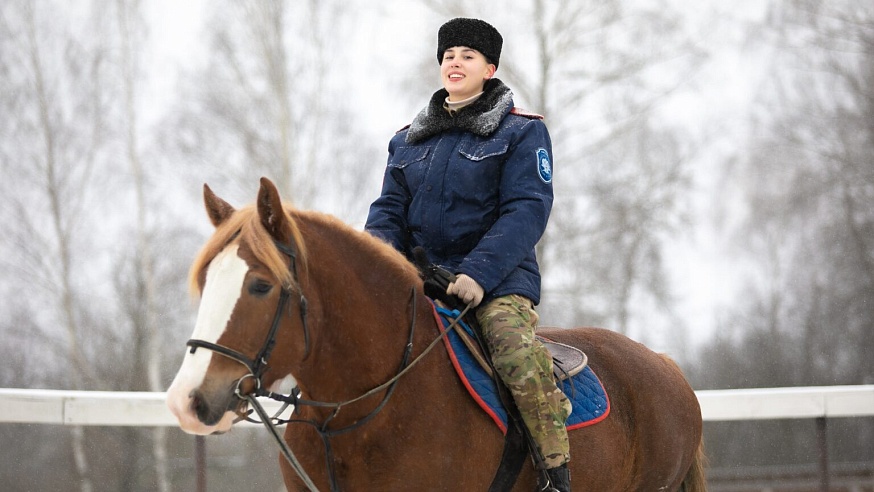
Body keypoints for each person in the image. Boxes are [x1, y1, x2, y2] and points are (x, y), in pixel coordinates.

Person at [365, 17, 572, 491]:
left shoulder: (521, 133)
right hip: (422, 282)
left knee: (515, 354)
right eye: (448, 55)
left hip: (496, 284)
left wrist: (478, 273)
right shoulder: (405, 141)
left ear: (490, 67)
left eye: (468, 55)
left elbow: (526, 210)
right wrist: (377, 270)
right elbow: (387, 216)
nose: (455, 62)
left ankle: (555, 474)